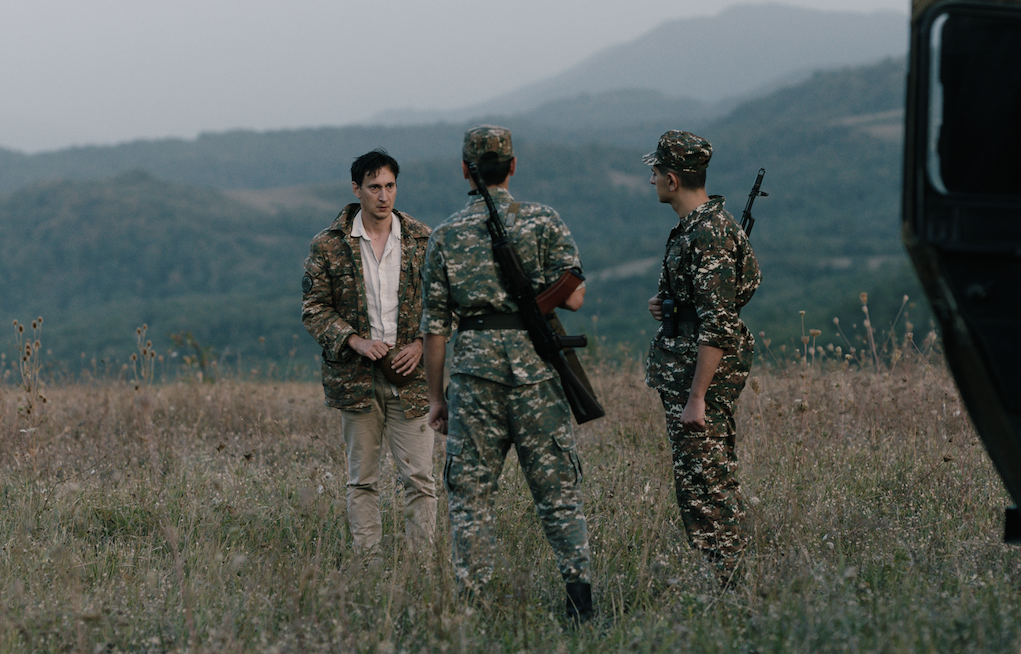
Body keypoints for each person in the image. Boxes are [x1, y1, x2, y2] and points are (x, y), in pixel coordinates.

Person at [420, 125, 593, 623]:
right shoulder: (543, 220)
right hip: (538, 373)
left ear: (465, 171)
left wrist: (437, 399)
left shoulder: (447, 234)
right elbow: (576, 296)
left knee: (470, 500)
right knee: (558, 495)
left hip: (474, 379)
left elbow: (434, 330)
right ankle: (580, 605)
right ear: (513, 167)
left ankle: (473, 608)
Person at [302, 148, 437, 560]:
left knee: (420, 478)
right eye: (374, 187)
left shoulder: (422, 239)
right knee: (362, 479)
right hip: (355, 379)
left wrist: (419, 345)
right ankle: (369, 564)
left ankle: (421, 566)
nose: (384, 196)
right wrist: (354, 340)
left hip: (410, 378)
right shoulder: (329, 245)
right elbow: (313, 309)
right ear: (356, 189)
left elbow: (444, 305)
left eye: (390, 186)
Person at [644, 130, 761, 585]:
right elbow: (738, 289)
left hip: (700, 378)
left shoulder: (707, 233)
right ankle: (722, 580)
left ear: (672, 179)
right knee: (700, 480)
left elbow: (719, 323)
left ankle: (728, 584)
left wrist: (698, 397)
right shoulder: (702, 227)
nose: (651, 179)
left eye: (655, 172)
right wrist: (671, 305)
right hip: (690, 368)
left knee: (707, 485)